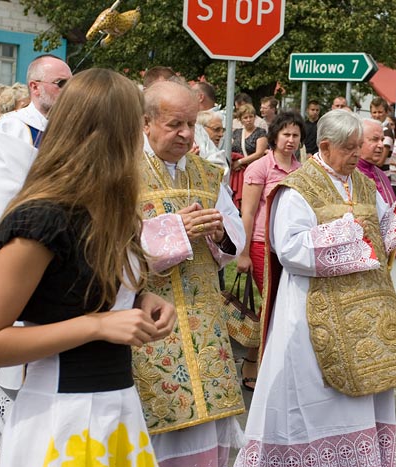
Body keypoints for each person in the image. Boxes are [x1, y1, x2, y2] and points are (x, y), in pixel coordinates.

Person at [0, 67, 176, 465]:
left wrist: (138, 299)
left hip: (116, 410)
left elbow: (77, 287)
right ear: (109, 134)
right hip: (60, 419)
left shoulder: (109, 210)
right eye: (135, 126)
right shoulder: (42, 218)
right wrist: (96, 325)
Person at [234, 109, 396, 467]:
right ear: (325, 145)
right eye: (349, 148)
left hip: (362, 317)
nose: (355, 155)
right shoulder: (298, 187)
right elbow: (290, 249)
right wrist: (351, 234)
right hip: (311, 312)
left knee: (360, 401)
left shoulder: (364, 183)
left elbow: (382, 236)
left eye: (357, 147)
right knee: (310, 393)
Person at [136, 79, 246, 466]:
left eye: (191, 124)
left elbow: (235, 231)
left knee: (204, 428)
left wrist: (221, 233)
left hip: (203, 319)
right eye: (174, 124)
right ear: (146, 122)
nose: (185, 134)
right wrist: (174, 229)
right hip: (150, 323)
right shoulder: (121, 169)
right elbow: (110, 243)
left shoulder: (207, 173)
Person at [0, 53, 72, 448]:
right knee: (8, 363)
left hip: (65, 261)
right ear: (35, 88)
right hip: (21, 255)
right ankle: (9, 440)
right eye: (60, 84)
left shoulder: (74, 129)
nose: (69, 92)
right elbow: (3, 201)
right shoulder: (10, 130)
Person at [236, 111, 305, 391]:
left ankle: (264, 362)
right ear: (274, 137)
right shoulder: (260, 168)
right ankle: (257, 363)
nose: (290, 140)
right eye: (286, 134)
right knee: (272, 306)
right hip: (261, 246)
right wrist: (242, 253)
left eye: (295, 135)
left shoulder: (302, 171)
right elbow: (248, 213)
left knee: (279, 307)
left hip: (289, 247)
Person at [357, 118, 396, 315]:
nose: (381, 145)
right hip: (368, 256)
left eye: (383, 140)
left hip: (392, 251)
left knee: (395, 304)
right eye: (374, 140)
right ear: (357, 141)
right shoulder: (352, 175)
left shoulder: (380, 174)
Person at [229, 103, 268, 209]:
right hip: (237, 172)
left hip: (253, 170)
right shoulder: (236, 132)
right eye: (245, 117)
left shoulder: (260, 132)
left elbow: (259, 153)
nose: (248, 120)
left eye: (251, 117)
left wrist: (240, 162)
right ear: (240, 119)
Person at [370, 97, 394, 176]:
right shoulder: (374, 129)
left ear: (386, 112)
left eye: (380, 112)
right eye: (374, 112)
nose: (377, 115)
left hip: (382, 176)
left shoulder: (387, 131)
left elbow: (380, 162)